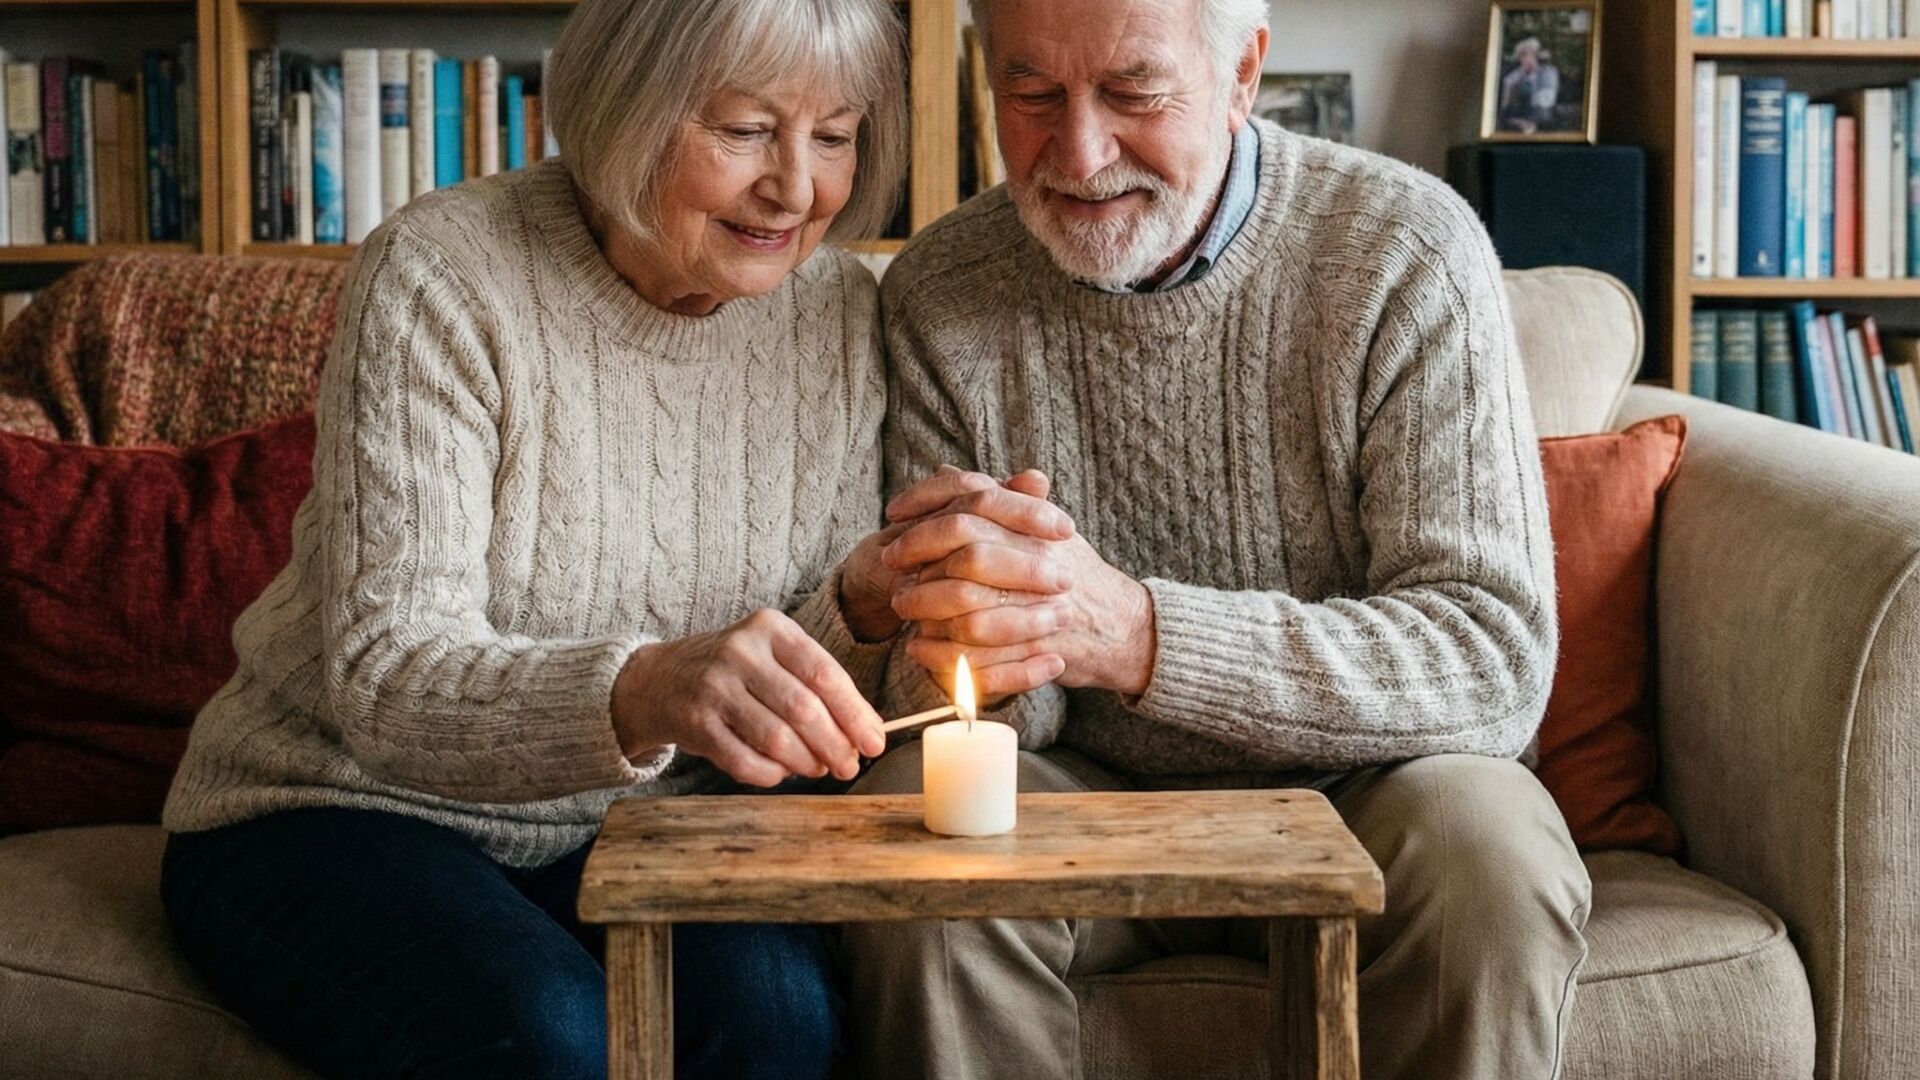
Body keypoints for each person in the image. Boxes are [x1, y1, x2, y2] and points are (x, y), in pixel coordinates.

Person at [157, 0, 913, 1077]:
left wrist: (865, 607)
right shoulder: (443, 271)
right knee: (551, 1040)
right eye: (746, 130)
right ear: (626, 109)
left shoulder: (836, 310)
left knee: (780, 1027)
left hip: (638, 823)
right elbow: (387, 678)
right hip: (337, 806)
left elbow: (786, 657)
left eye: (834, 136)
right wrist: (646, 687)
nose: (797, 187)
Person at [844, 0, 1592, 1078]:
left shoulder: (1404, 251)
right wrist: (975, 647)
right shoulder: (941, 292)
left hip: (1374, 789)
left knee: (1486, 847)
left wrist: (1143, 636)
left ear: (1243, 73)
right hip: (1084, 792)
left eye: (1133, 92)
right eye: (1033, 94)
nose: (1080, 153)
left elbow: (1490, 653)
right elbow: (952, 689)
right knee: (914, 825)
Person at [1499, 36, 1563, 134]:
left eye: (1529, 54)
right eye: (1522, 55)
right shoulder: (1519, 73)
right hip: (1518, 116)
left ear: (1536, 55)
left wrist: (1531, 81)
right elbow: (1507, 89)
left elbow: (1545, 100)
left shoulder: (1548, 72)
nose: (1526, 58)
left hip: (1541, 116)